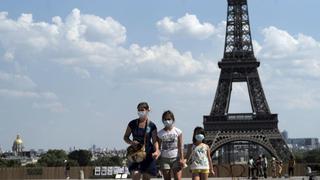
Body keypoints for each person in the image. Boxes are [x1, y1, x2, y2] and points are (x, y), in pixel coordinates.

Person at [123, 102, 160, 180]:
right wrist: (131, 142)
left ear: (147, 110)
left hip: (148, 153)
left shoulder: (151, 125)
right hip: (135, 153)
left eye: (142, 110)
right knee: (136, 174)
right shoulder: (132, 123)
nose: (140, 112)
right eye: (139, 110)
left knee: (146, 177)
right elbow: (125, 137)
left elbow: (155, 141)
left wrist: (156, 151)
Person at [158, 110, 184, 180]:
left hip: (176, 158)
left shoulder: (178, 131)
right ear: (162, 120)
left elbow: (180, 146)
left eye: (169, 119)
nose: (167, 121)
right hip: (164, 159)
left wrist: (181, 158)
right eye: (165, 119)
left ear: (173, 120)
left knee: (178, 178)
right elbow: (159, 148)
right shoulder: (160, 133)